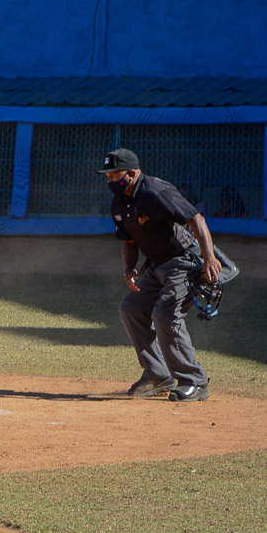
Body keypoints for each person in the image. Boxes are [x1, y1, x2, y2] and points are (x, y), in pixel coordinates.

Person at [99, 148, 221, 403]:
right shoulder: (120, 202)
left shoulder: (156, 192)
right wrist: (129, 268)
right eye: (108, 177)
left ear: (131, 174)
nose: (109, 181)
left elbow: (196, 219)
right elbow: (129, 240)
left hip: (183, 262)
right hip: (156, 266)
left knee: (165, 314)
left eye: (113, 175)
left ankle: (194, 381)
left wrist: (209, 258)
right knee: (131, 308)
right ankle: (157, 375)